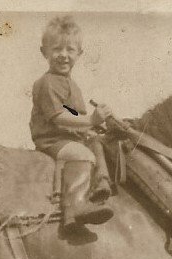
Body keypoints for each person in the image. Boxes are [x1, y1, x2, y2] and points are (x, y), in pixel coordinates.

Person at [30, 15, 114, 231]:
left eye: (70, 50)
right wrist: (90, 120)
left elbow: (74, 114)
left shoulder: (73, 86)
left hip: (70, 137)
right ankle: (74, 208)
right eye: (57, 49)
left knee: (96, 141)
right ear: (44, 52)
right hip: (52, 139)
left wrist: (97, 124)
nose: (63, 55)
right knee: (83, 154)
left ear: (80, 54)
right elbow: (59, 117)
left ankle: (102, 183)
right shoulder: (46, 83)